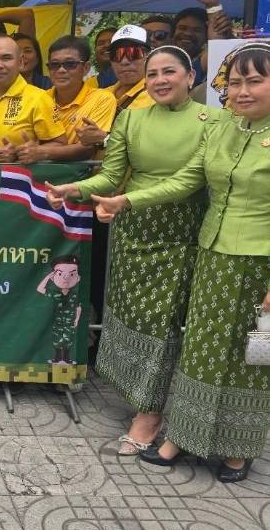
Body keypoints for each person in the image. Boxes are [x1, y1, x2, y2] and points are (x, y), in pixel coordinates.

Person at [84, 43, 269, 482]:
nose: (243, 91)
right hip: (211, 254)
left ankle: (237, 449)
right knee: (200, 352)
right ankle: (183, 435)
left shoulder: (223, 124)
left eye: (255, 81)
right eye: (236, 82)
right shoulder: (226, 129)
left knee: (248, 355)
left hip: (258, 263)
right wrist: (127, 200)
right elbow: (187, 180)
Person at [46, 45, 217, 458]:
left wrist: (126, 200)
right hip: (133, 230)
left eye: (169, 72)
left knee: (164, 322)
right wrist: (74, 189)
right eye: (152, 73)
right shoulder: (131, 118)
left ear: (190, 77)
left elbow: (189, 181)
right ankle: (143, 398)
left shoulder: (215, 121)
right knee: (133, 318)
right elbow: (110, 175)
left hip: (184, 231)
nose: (160, 80)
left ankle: (151, 414)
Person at [16, 36, 117, 164]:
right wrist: (13, 152)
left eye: (70, 64)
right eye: (54, 65)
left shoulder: (102, 99)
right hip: (38, 173)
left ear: (86, 68)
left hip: (83, 174)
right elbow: (25, 143)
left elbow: (88, 148)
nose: (61, 70)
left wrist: (43, 152)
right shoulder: (39, 98)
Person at [0, 36, 65, 161]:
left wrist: (27, 153)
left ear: (21, 62)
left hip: (15, 174)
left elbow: (60, 143)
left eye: (6, 58)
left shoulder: (39, 98)